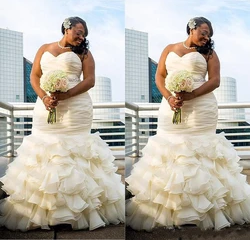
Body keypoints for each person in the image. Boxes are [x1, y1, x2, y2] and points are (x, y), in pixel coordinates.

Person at [0, 17, 124, 231]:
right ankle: (44, 208)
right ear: (67, 29)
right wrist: (44, 97)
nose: (81, 36)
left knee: (74, 151)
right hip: (46, 106)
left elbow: (90, 80)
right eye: (78, 31)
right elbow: (35, 76)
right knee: (44, 150)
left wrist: (65, 95)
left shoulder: (84, 53)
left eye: (84, 33)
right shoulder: (44, 48)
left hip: (76, 108)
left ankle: (78, 210)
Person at [126, 17, 250, 231]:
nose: (206, 37)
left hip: (201, 108)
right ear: (192, 29)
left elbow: (215, 81)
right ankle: (174, 205)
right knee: (170, 150)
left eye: (209, 34)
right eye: (203, 32)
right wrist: (169, 97)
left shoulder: (209, 53)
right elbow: (160, 76)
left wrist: (191, 95)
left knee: (201, 151)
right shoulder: (170, 48)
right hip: (172, 107)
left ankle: (205, 208)